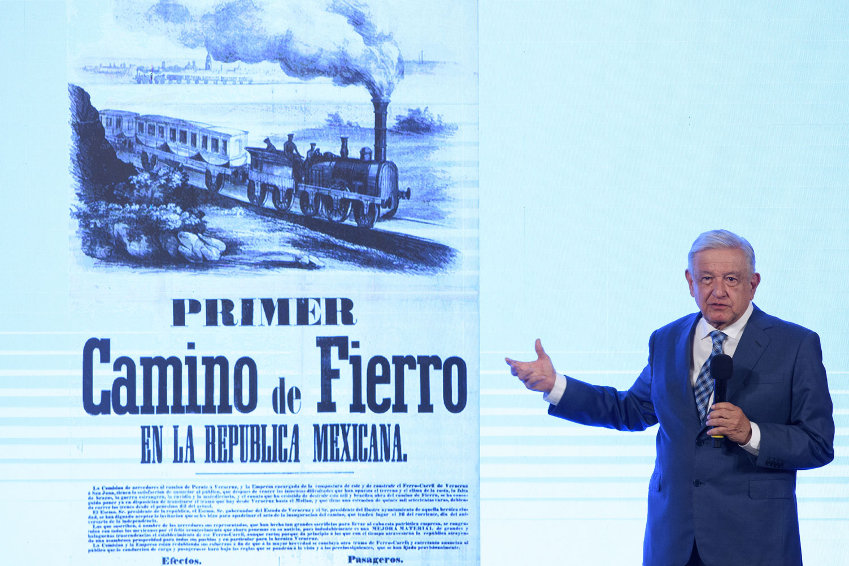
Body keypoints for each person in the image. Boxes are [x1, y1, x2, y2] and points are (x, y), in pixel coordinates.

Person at [505, 230, 834, 566]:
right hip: (674, 542)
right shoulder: (666, 339)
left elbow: (819, 444)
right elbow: (631, 410)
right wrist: (555, 385)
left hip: (755, 543)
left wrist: (752, 434)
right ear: (690, 281)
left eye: (731, 279)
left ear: (754, 283)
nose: (717, 291)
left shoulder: (795, 345)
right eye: (706, 278)